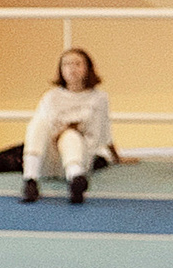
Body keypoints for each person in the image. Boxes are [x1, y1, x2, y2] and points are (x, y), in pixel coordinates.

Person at [18, 47, 124, 206]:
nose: (72, 69)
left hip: (77, 156)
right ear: (61, 70)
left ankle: (76, 180)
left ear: (88, 68)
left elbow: (104, 133)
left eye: (77, 64)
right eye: (66, 64)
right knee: (37, 124)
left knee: (70, 136)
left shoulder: (99, 98)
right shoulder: (51, 97)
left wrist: (117, 158)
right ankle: (30, 180)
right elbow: (46, 129)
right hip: (49, 159)